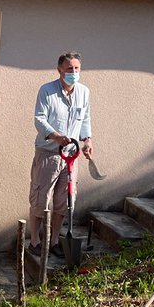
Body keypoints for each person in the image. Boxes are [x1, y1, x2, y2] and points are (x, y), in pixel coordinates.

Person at [29, 52, 93, 258]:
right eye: (69, 69)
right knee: (41, 198)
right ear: (59, 70)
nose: (73, 72)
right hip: (49, 153)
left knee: (65, 201)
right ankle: (35, 241)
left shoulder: (84, 92)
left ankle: (55, 240)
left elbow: (85, 119)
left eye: (76, 68)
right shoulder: (47, 91)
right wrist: (55, 136)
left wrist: (87, 140)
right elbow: (39, 119)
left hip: (71, 156)